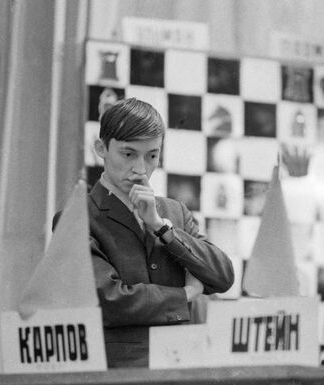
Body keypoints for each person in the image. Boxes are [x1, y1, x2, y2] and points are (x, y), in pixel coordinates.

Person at [81, 98, 233, 367]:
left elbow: (222, 275)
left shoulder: (173, 212)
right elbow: (109, 299)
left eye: (152, 155)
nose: (141, 169)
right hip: (118, 372)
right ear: (100, 148)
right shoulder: (79, 216)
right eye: (128, 154)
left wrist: (162, 227)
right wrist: (184, 295)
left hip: (183, 365)